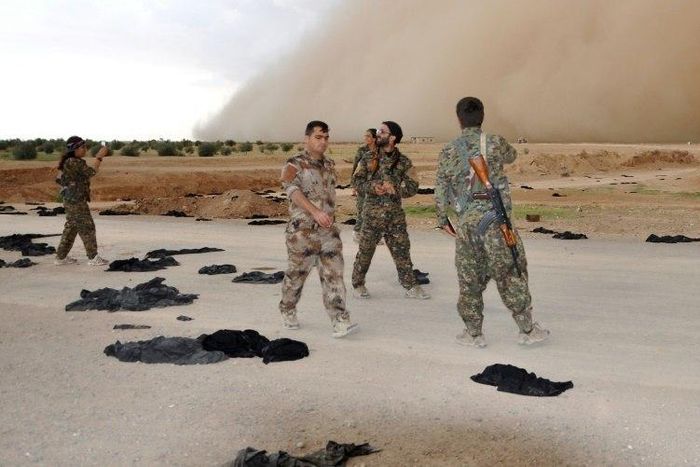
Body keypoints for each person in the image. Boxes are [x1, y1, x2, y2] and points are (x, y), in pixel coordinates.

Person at [435, 97, 550, 347]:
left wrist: (442, 218)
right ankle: (527, 330)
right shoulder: (495, 143)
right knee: (509, 272)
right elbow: (511, 155)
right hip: (495, 220)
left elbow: (441, 187)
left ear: (458, 119)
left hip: (467, 223)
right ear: (482, 116)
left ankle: (473, 333)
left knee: (469, 277)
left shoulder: (449, 150)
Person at [279, 121, 358, 338]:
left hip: (328, 232)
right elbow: (292, 191)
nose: (323, 142)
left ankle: (340, 319)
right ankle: (287, 308)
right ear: (307, 139)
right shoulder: (294, 164)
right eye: (318, 137)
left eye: (326, 138)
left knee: (334, 275)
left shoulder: (329, 165)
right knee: (296, 276)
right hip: (302, 233)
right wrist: (314, 212)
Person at [351, 121, 430, 300]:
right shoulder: (367, 158)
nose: (378, 133)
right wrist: (373, 187)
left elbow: (412, 187)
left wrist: (395, 188)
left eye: (382, 131)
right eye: (378, 131)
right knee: (365, 252)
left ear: (392, 137)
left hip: (394, 217)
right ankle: (358, 284)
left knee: (402, 251)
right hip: (372, 216)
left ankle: (410, 286)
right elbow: (356, 182)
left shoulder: (404, 162)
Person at [54, 136, 109, 266]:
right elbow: (91, 172)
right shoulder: (73, 162)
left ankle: (60, 258)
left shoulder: (69, 161)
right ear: (75, 149)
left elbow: (59, 179)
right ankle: (93, 258)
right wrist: (99, 157)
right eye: (82, 147)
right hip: (76, 201)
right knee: (87, 226)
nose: (85, 149)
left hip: (71, 199)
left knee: (71, 228)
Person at [351, 128, 377, 243]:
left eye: (368, 136)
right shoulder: (362, 150)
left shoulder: (380, 151)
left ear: (374, 138)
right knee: (362, 209)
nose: (365, 138)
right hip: (362, 183)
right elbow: (355, 166)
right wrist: (353, 185)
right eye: (365, 136)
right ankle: (357, 232)